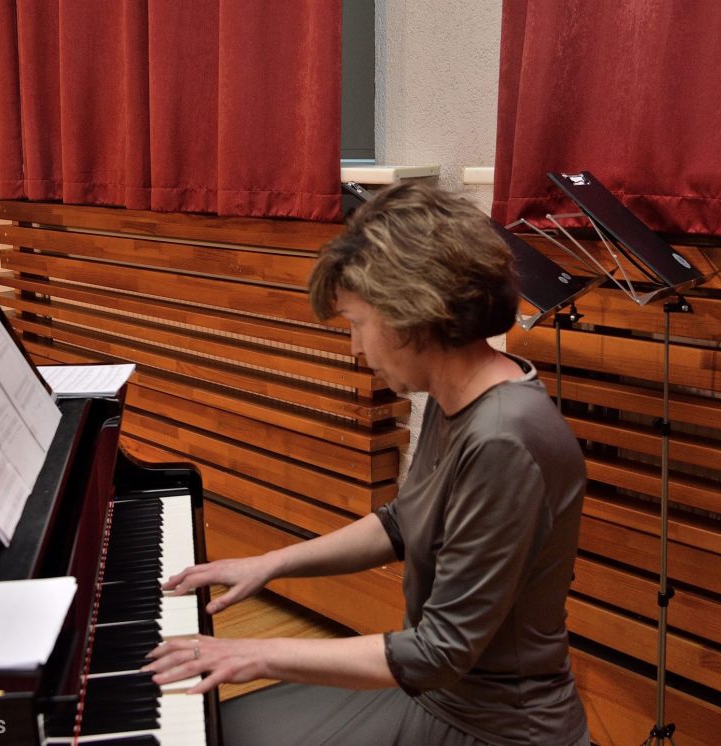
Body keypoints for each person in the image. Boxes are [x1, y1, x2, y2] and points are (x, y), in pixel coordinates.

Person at [144, 180, 591, 746]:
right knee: (221, 728)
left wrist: (252, 653)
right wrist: (270, 564)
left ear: (412, 315)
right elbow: (404, 521)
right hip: (437, 694)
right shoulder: (460, 393)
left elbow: (438, 652)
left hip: (493, 728)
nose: (356, 348)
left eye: (358, 324)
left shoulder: (503, 441)